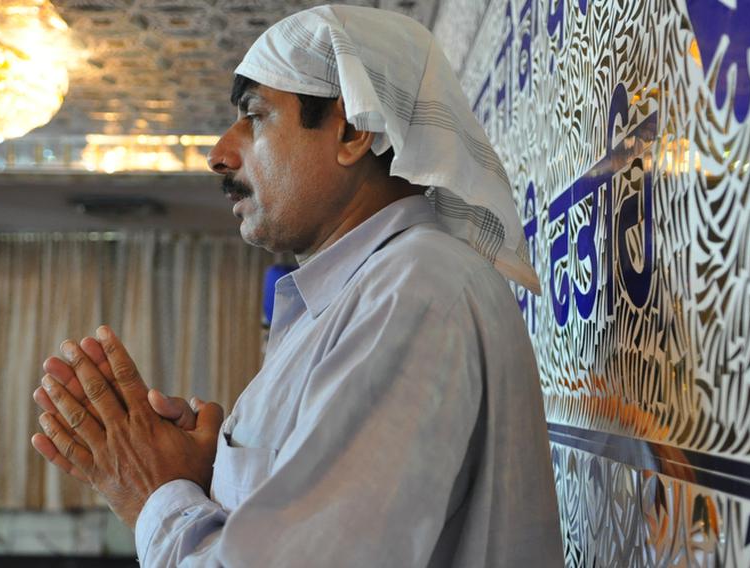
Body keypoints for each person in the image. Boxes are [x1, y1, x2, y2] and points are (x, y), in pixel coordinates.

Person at [31, 5, 564, 566]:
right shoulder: (361, 293)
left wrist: (151, 494)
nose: (218, 155)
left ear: (353, 130)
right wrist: (210, 477)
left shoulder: (413, 291)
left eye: (255, 116)